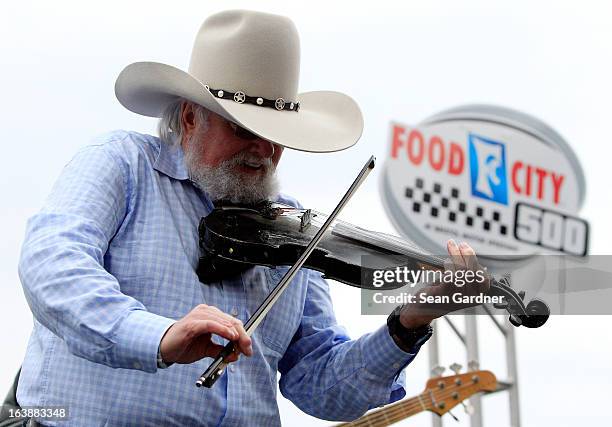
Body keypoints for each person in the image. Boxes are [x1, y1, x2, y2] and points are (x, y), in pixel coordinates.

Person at [14, 10, 488, 426]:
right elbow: (52, 270)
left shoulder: (295, 229)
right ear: (190, 118)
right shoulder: (122, 163)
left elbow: (320, 386)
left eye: (276, 133)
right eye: (243, 128)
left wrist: (409, 321)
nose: (264, 150)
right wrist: (158, 335)